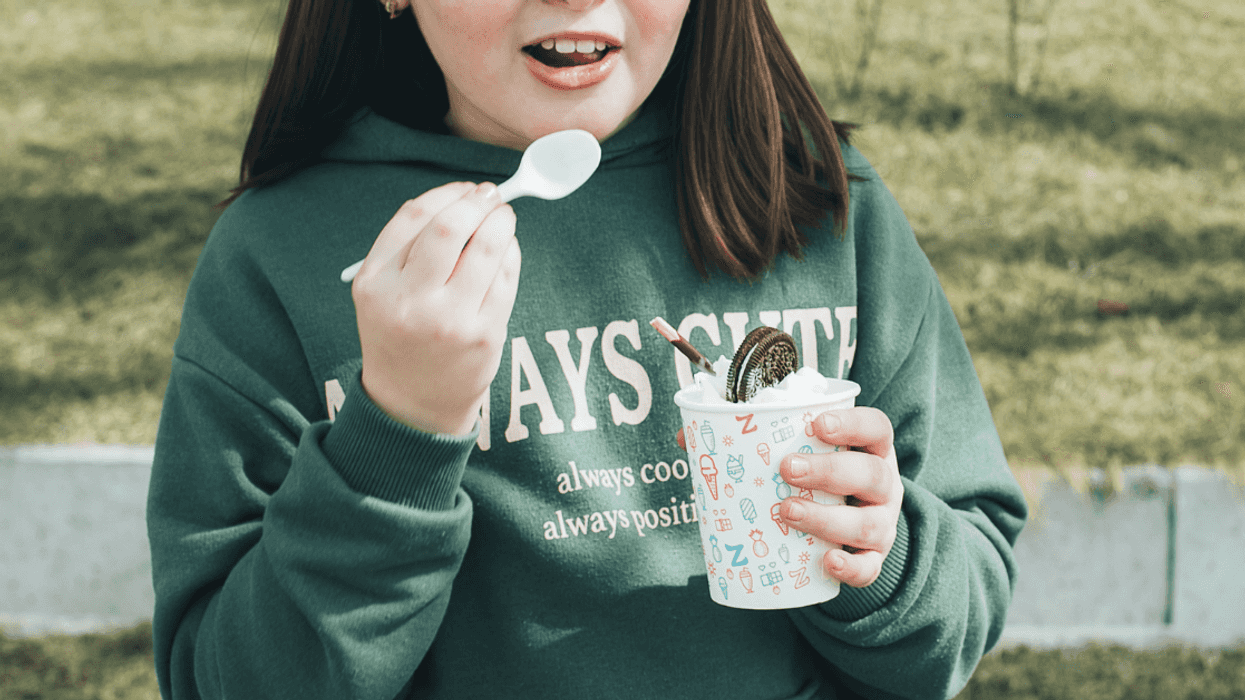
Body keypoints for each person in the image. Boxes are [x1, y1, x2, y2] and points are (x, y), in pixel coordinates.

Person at [146, 0, 1028, 697]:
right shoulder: (281, 257)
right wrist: (401, 428)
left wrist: (881, 558)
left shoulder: (819, 208)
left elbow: (953, 619)